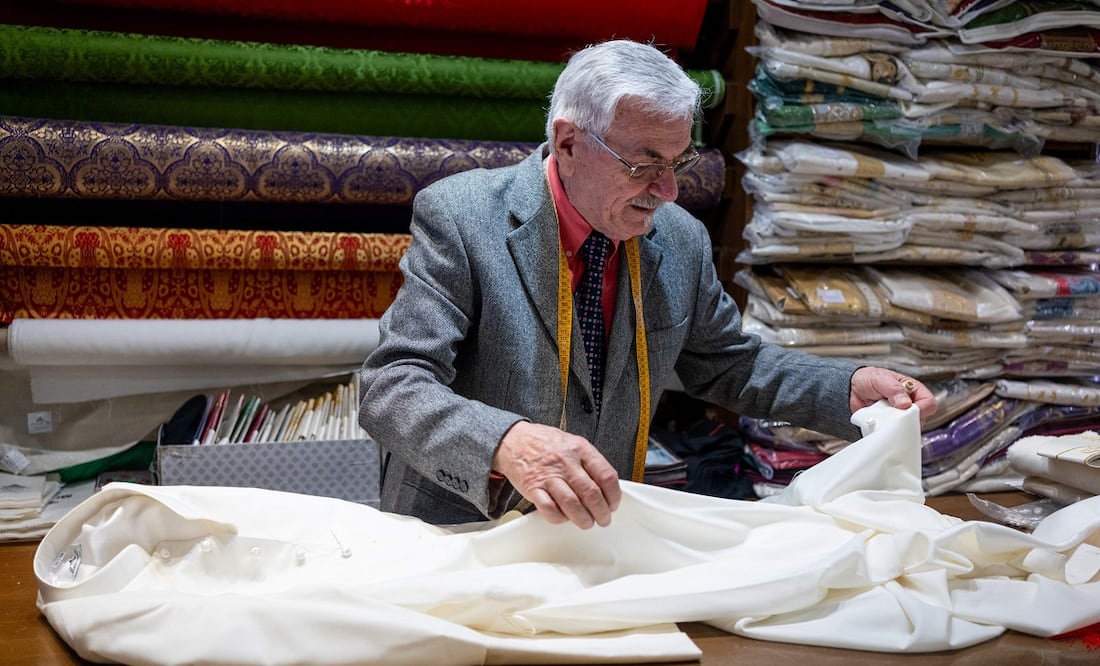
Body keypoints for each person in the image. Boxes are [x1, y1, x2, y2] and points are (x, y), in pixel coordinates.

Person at [359, 39, 937, 530]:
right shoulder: (463, 217)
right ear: (567, 143)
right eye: (644, 164)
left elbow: (729, 365)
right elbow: (391, 385)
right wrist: (506, 443)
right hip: (461, 532)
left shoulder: (679, 237)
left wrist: (849, 386)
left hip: (597, 535)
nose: (668, 190)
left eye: (678, 163)